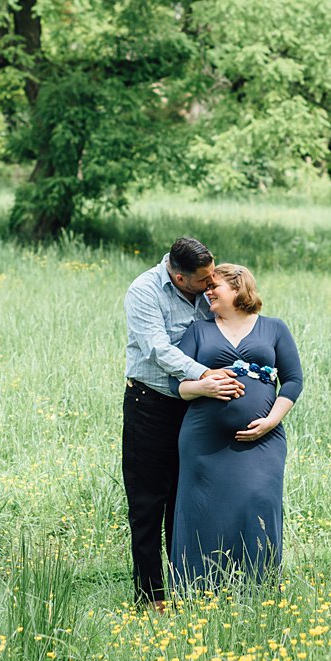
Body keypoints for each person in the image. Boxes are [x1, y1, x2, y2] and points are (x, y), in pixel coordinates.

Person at [123, 238, 244, 606]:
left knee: (187, 498)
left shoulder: (206, 290)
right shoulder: (144, 292)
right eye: (204, 281)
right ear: (179, 278)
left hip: (196, 408)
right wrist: (206, 374)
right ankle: (151, 595)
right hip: (152, 405)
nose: (211, 285)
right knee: (148, 503)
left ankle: (186, 586)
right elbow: (157, 350)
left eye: (213, 277)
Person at [169, 264, 302, 589]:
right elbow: (177, 386)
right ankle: (198, 588)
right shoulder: (198, 331)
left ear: (238, 287)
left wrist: (272, 420)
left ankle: (257, 588)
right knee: (203, 511)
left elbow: (294, 380)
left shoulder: (274, 328)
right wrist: (204, 387)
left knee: (258, 502)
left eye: (215, 286)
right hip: (204, 442)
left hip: (262, 441)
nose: (207, 291)